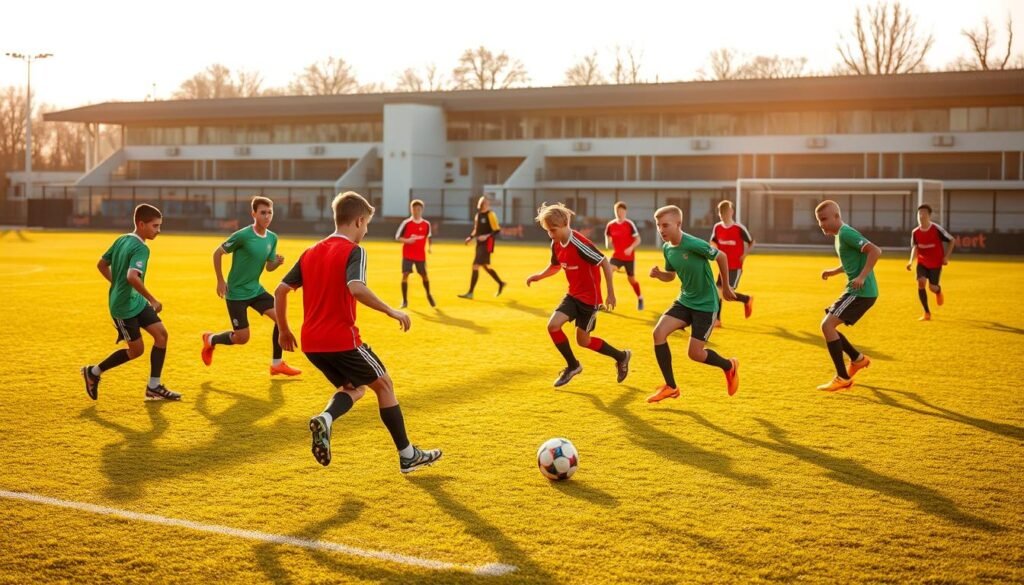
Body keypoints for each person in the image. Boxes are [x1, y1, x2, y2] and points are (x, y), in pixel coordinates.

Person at [274, 191, 441, 473]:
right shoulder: (354, 250)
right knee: (384, 385)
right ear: (359, 220)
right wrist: (392, 310)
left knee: (354, 387)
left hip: (312, 344)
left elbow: (280, 290)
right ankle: (408, 455)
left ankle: (326, 418)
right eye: (366, 225)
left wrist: (284, 332)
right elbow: (356, 287)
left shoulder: (310, 252)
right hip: (341, 338)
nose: (365, 231)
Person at [81, 204, 181, 401]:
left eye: (160, 226)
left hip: (135, 300)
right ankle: (93, 372)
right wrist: (152, 299)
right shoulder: (141, 247)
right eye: (155, 226)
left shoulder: (121, 240)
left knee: (161, 336)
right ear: (141, 224)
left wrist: (116, 283)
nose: (158, 231)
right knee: (136, 351)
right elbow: (132, 276)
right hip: (123, 308)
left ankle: (154, 387)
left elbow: (101, 264)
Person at [526, 202, 631, 387]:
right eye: (548, 231)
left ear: (566, 222)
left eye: (554, 229)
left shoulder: (580, 244)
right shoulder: (556, 244)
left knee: (583, 341)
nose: (551, 234)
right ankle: (573, 366)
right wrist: (539, 276)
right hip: (573, 295)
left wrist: (610, 294)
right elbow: (555, 266)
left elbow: (604, 262)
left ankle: (621, 356)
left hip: (590, 301)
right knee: (553, 326)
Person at [647, 205, 739, 403]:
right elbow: (671, 276)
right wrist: (659, 275)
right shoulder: (667, 248)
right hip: (685, 300)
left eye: (665, 225)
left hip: (705, 305)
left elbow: (721, 256)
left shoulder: (692, 243)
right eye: (657, 225)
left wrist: (727, 287)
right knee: (658, 333)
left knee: (695, 354)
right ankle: (671, 387)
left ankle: (729, 366)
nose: (661, 230)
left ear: (679, 224)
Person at [201, 196, 301, 376]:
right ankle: (211, 339)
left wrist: (276, 263)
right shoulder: (242, 235)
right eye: (263, 212)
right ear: (253, 213)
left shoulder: (272, 237)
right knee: (242, 338)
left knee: (280, 318)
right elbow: (217, 253)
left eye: (270, 212)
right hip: (236, 294)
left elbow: (269, 267)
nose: (267, 216)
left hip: (256, 290)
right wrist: (220, 280)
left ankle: (276, 364)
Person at [815, 200, 880, 392]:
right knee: (829, 327)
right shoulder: (839, 236)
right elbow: (852, 261)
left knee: (827, 325)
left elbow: (875, 251)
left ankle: (843, 377)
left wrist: (861, 277)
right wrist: (833, 272)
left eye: (824, 219)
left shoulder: (846, 233)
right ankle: (858, 360)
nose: (821, 224)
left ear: (836, 216)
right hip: (857, 291)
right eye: (819, 220)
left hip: (861, 292)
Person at [905, 204, 954, 321]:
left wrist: (946, 257)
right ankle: (927, 312)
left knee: (932, 287)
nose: (921, 216)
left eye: (924, 213)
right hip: (922, 262)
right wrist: (911, 261)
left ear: (929, 215)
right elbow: (915, 247)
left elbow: (952, 240)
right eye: (919, 213)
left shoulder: (936, 229)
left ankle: (938, 291)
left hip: (936, 263)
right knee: (921, 282)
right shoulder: (915, 232)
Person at [709, 200, 754, 327]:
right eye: (722, 212)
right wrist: (713, 249)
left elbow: (751, 242)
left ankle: (746, 299)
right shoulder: (717, 227)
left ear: (732, 212)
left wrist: (745, 254)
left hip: (735, 266)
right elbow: (713, 241)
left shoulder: (739, 228)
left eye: (727, 212)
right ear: (719, 213)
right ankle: (717, 320)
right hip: (722, 266)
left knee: (725, 293)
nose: (724, 215)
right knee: (717, 293)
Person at [458, 196, 506, 299]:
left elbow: (497, 230)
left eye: (486, 202)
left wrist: (486, 236)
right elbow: (476, 229)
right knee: (485, 266)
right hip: (479, 244)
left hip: (487, 244)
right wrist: (470, 237)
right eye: (483, 202)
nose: (484, 204)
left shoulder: (491, 214)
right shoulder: (478, 215)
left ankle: (470, 293)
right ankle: (501, 283)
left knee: (475, 265)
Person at [394, 199, 435, 309]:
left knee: (424, 275)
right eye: (414, 209)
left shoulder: (426, 224)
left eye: (419, 209)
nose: (416, 211)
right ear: (411, 210)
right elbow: (397, 237)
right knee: (405, 275)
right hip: (407, 254)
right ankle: (405, 300)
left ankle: (429, 294)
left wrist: (430, 247)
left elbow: (429, 236)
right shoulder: (406, 223)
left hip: (420, 256)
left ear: (422, 210)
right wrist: (407, 240)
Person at [604, 201, 644, 310]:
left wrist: (630, 248)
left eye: (622, 211)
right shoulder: (610, 225)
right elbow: (607, 238)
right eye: (617, 211)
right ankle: (609, 295)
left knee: (632, 280)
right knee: (609, 269)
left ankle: (640, 298)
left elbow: (638, 239)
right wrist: (608, 243)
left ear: (625, 212)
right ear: (615, 212)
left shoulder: (629, 224)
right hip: (616, 256)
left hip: (629, 258)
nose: (619, 213)